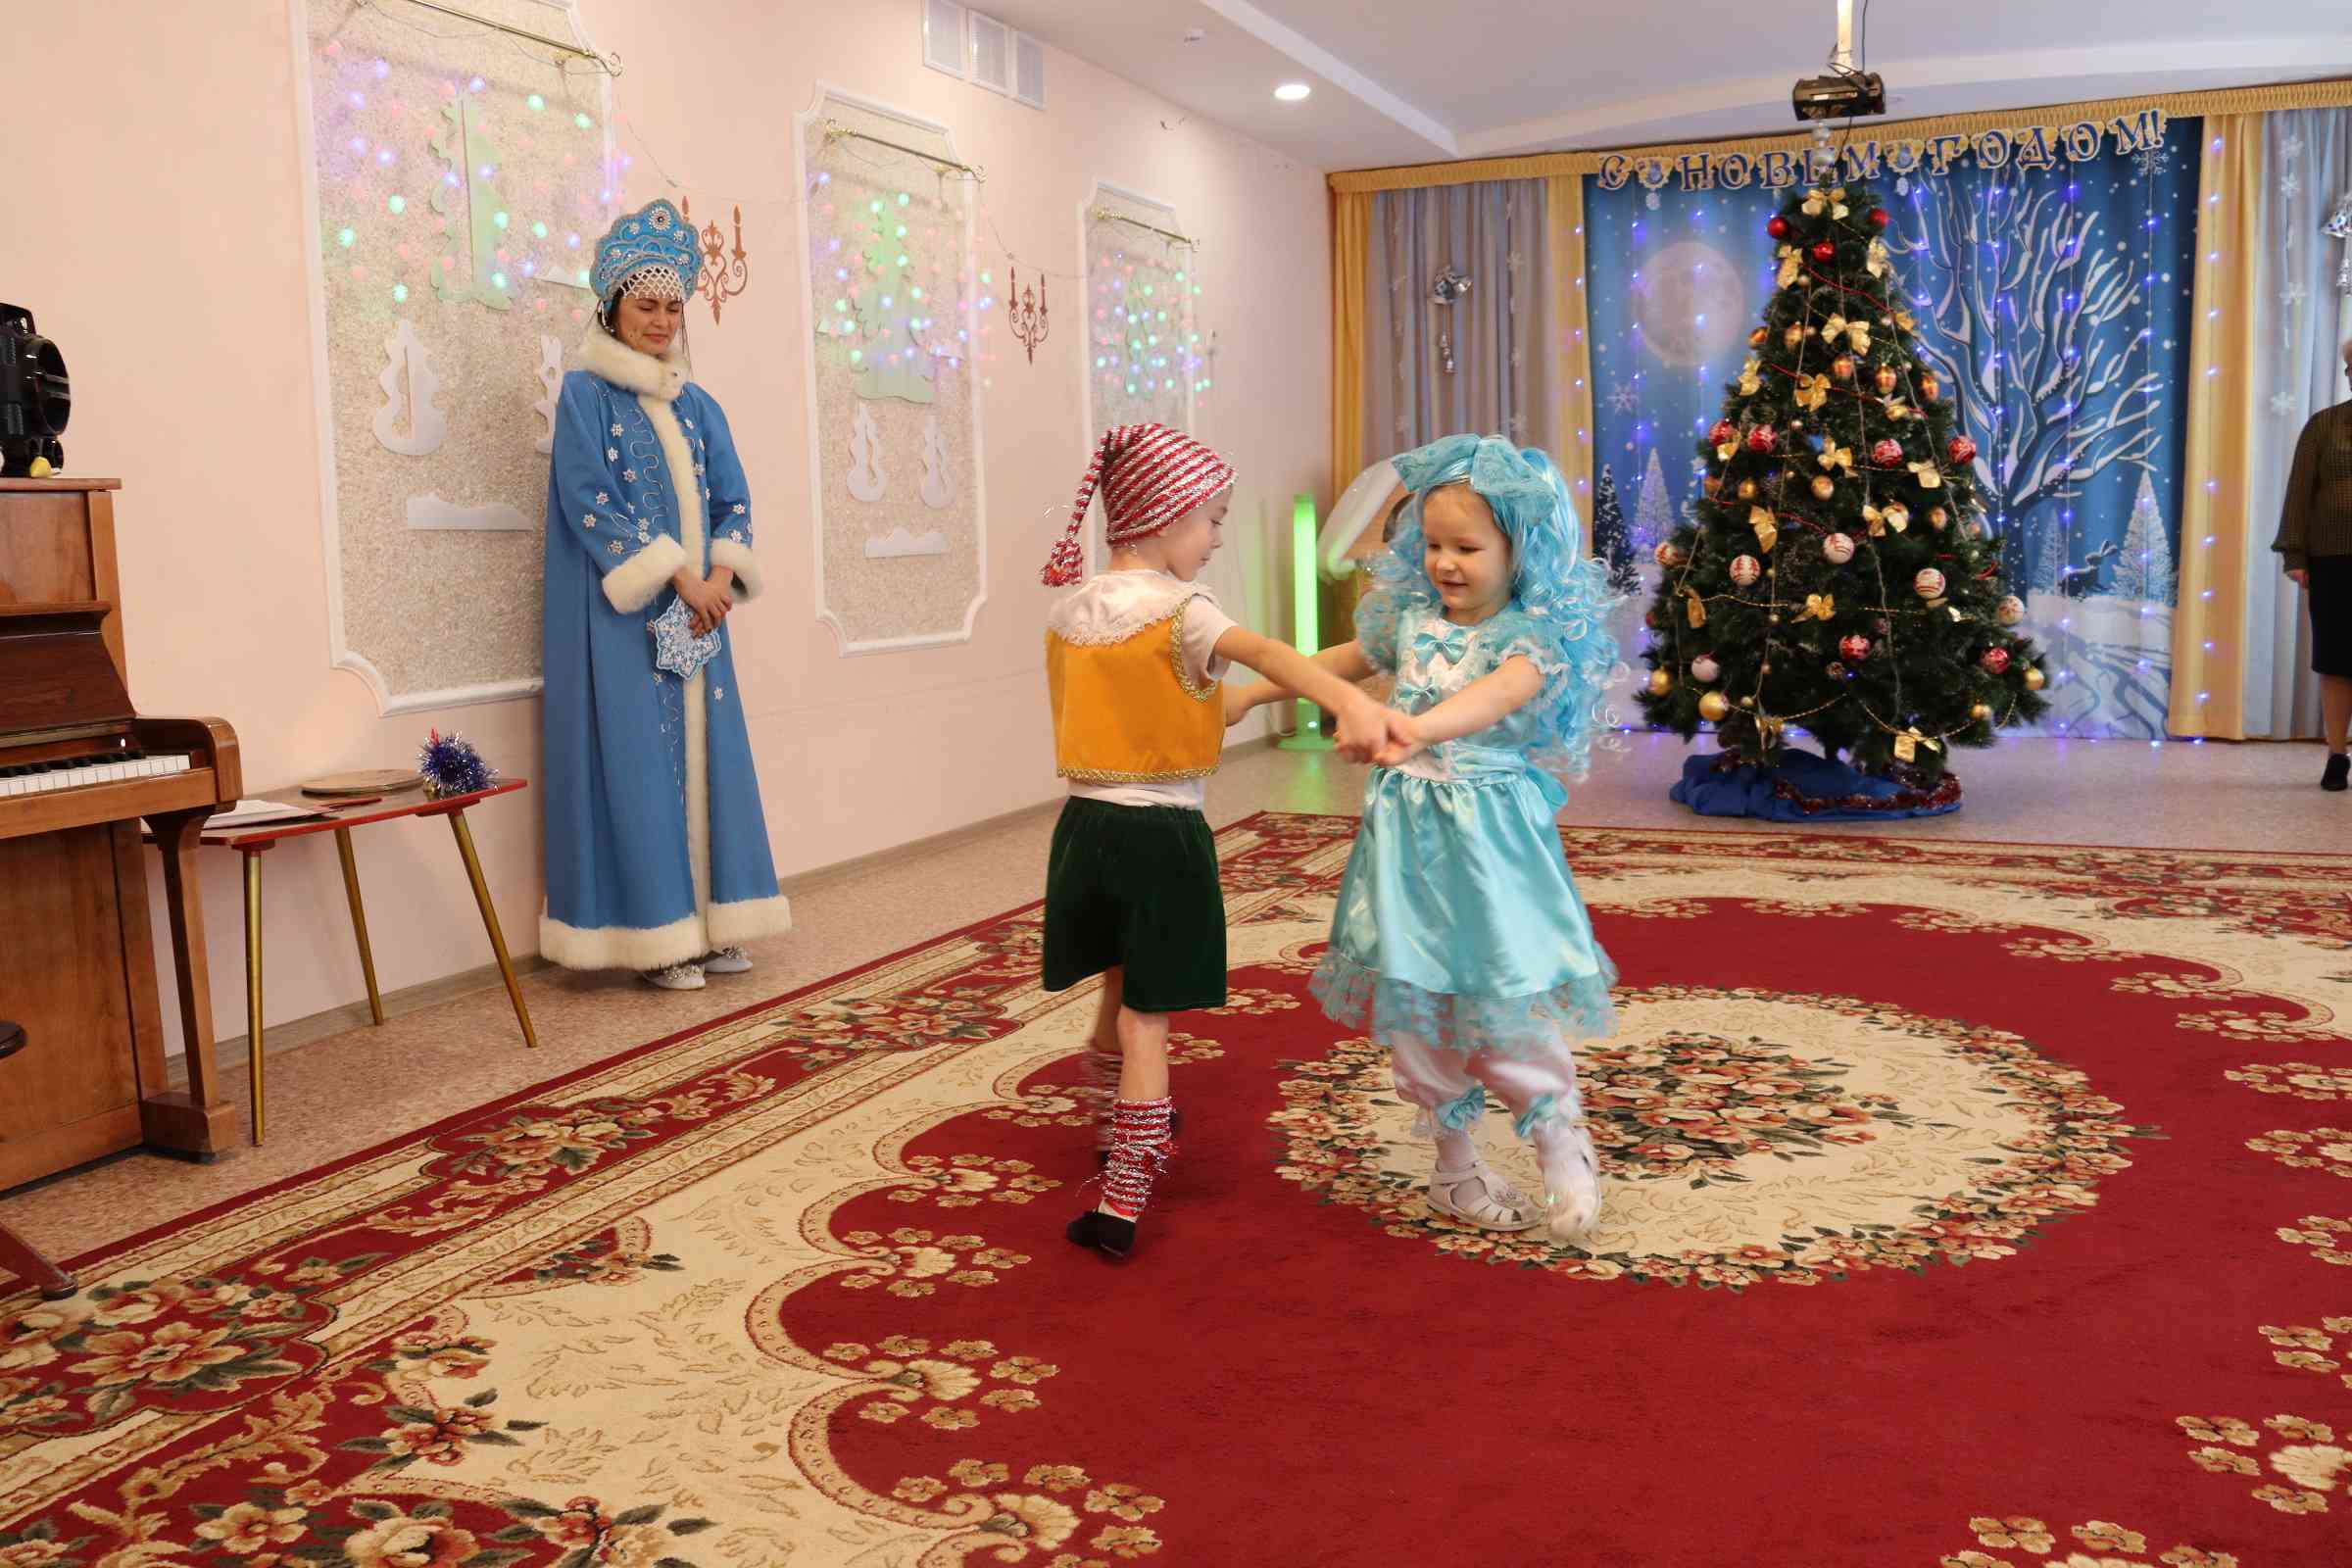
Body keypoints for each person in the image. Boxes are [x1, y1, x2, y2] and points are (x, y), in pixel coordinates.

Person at [1227, 435, 1620, 1244]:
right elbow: (1337, 663)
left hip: (1489, 849)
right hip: (1404, 847)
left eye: (1467, 548)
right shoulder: (1409, 621)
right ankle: (1454, 1169)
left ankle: (1558, 1136)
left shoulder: (1530, 641)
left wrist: (1414, 727)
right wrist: (1252, 694)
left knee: (1499, 992)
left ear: (1519, 551)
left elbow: (1492, 697)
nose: (1446, 562)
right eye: (1435, 544)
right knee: (1415, 1001)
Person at [1042, 422, 1396, 1260]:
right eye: (1213, 519)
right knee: (1147, 1022)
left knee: (1114, 988)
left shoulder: (1073, 611)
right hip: (1160, 838)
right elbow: (1268, 654)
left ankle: (1113, 1128)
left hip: (1083, 834)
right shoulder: (1185, 611)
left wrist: (1360, 659)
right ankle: (1124, 1196)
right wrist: (1352, 702)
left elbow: (1222, 700)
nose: (1217, 537)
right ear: (1167, 517)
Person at [539, 199, 791, 989]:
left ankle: (715, 925)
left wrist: (717, 579)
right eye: (645, 305)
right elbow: (588, 497)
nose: (661, 321)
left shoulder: (699, 406)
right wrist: (676, 575)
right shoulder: (585, 396)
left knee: (712, 764)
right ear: (612, 307)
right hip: (625, 620)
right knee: (639, 763)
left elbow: (734, 501)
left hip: (701, 618)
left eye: (672, 307)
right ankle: (657, 938)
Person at [2276, 334, 2352, 791]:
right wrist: (2294, 553)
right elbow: (2299, 494)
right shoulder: (2323, 426)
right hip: (2332, 560)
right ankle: (2337, 756)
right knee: (2337, 661)